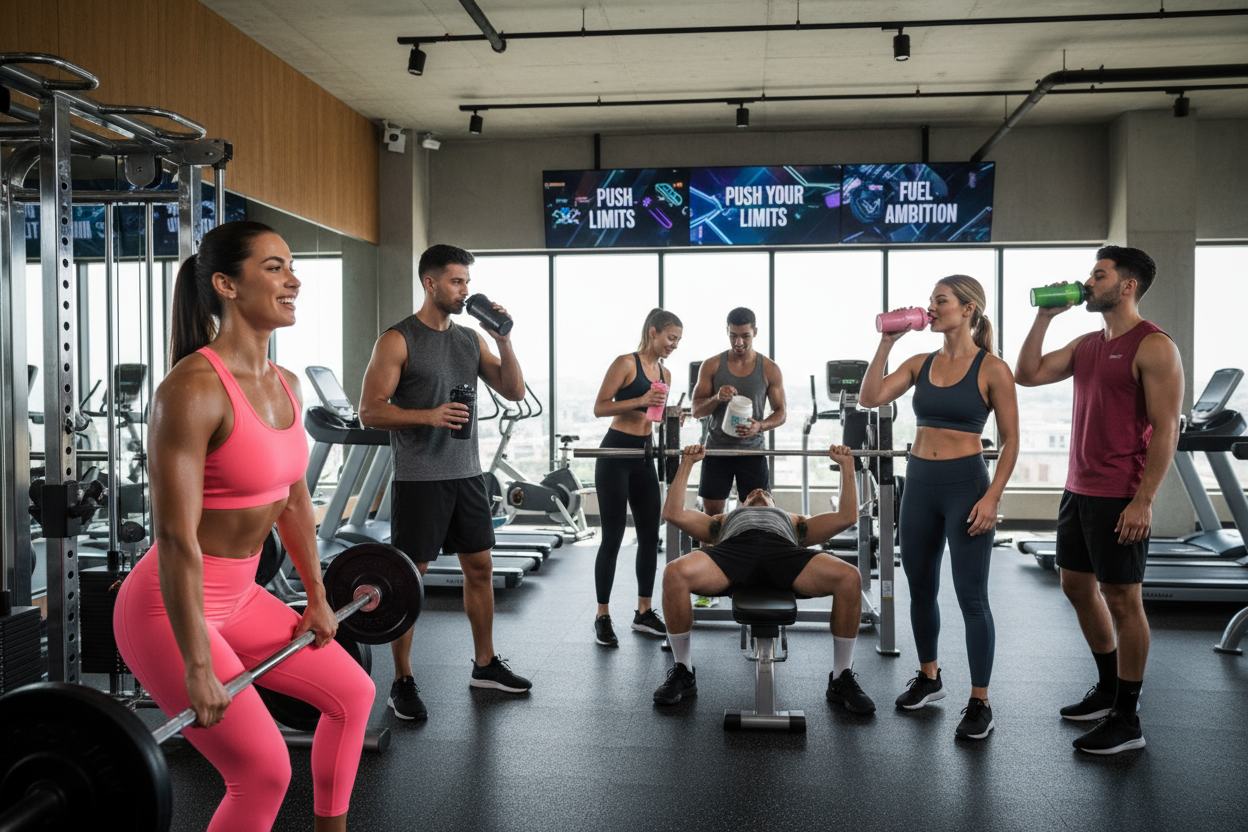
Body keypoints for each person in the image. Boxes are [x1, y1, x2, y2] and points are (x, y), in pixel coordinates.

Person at [113, 221, 375, 832]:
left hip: (240, 596)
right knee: (263, 773)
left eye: (291, 266)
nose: (294, 279)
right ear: (227, 284)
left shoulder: (283, 385)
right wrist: (197, 664)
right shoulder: (192, 388)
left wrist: (316, 597)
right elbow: (176, 538)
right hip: (169, 608)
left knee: (354, 694)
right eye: (275, 267)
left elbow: (293, 503)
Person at [1015, 246, 1183, 755]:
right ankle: (1108, 688)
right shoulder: (1088, 343)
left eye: (1099, 274)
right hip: (1079, 488)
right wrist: (1044, 317)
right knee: (1075, 587)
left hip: (1119, 494)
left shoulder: (1153, 347)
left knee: (1123, 601)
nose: (1088, 282)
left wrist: (1144, 500)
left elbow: (1166, 431)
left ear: (1126, 285)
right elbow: (1028, 372)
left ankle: (1128, 719)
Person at [359, 244, 531, 721]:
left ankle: (485, 664)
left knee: (480, 568)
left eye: (467, 283)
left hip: (467, 474)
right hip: (420, 479)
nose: (464, 291)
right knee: (409, 581)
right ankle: (402, 679)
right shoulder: (397, 340)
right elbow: (370, 410)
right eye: (456, 282)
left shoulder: (469, 340)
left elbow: (514, 391)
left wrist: (505, 339)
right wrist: (428, 416)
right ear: (430, 283)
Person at [859, 275, 1019, 740]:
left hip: (966, 486)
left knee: (972, 597)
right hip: (921, 486)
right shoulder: (918, 360)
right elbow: (870, 398)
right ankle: (929, 677)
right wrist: (887, 343)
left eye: (940, 301)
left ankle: (980, 701)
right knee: (920, 587)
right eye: (930, 300)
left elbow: (1009, 443)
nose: (931, 308)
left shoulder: (992, 369)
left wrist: (992, 498)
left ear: (968, 310)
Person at [653, 443, 875, 714]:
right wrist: (688, 463)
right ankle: (683, 671)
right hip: (733, 551)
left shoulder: (794, 521)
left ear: (774, 503)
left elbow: (846, 517)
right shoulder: (722, 520)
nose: (758, 491)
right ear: (742, 503)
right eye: (751, 493)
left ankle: (841, 678)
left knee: (850, 576)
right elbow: (672, 513)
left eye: (765, 492)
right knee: (674, 573)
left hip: (783, 552)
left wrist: (846, 467)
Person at [589, 308, 683, 647]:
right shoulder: (625, 363)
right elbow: (600, 407)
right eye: (671, 338)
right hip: (615, 454)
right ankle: (602, 616)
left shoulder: (666, 372)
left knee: (648, 536)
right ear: (654, 331)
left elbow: (653, 417)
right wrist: (640, 399)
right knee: (612, 538)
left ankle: (643, 612)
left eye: (678, 341)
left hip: (645, 454)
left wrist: (674, 416)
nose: (674, 345)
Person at [690, 307, 787, 516]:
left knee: (755, 517)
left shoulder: (769, 368)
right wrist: (716, 397)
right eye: (733, 336)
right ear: (727, 331)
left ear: (755, 332)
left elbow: (781, 413)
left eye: (745, 336)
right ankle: (711, 550)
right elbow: (696, 410)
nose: (738, 343)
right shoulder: (712, 365)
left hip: (752, 452)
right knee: (712, 518)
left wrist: (760, 426)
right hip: (717, 451)